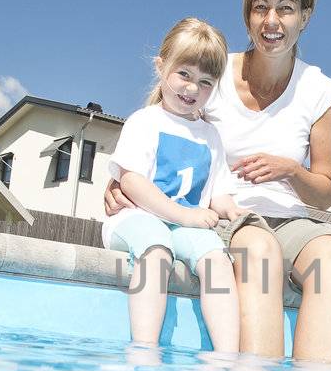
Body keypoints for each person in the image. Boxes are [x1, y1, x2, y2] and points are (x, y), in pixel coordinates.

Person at [106, 0, 331, 362]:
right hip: (228, 217)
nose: (271, 21)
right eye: (260, 7)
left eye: (286, 9)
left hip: (292, 218)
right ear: (247, 15)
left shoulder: (320, 91)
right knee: (259, 251)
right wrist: (121, 181)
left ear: (305, 17)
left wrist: (291, 170)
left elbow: (325, 192)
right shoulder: (214, 74)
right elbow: (163, 125)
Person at [103, 18, 246, 352]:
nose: (193, 88)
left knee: (217, 259)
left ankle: (225, 358)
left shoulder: (211, 136)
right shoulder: (145, 121)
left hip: (182, 225)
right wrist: (184, 216)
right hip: (135, 219)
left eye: (205, 82)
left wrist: (231, 210)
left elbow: (218, 193)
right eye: (184, 74)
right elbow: (132, 182)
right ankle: (144, 350)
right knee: (156, 249)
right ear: (160, 67)